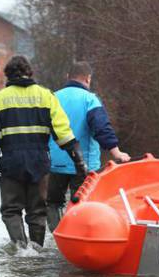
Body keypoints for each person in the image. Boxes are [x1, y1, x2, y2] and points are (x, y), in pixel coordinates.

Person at [0, 55, 87, 248]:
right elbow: (64, 133)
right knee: (37, 211)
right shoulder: (46, 96)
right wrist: (79, 162)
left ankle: (20, 250)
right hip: (39, 162)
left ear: (7, 76)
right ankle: (36, 251)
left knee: (11, 210)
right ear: (30, 73)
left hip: (11, 163)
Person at [46, 61, 130, 232]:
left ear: (67, 77)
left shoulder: (52, 98)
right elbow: (101, 128)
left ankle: (57, 236)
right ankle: (75, 235)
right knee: (81, 205)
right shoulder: (90, 99)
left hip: (55, 163)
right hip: (83, 166)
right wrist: (117, 152)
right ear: (88, 78)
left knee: (53, 204)